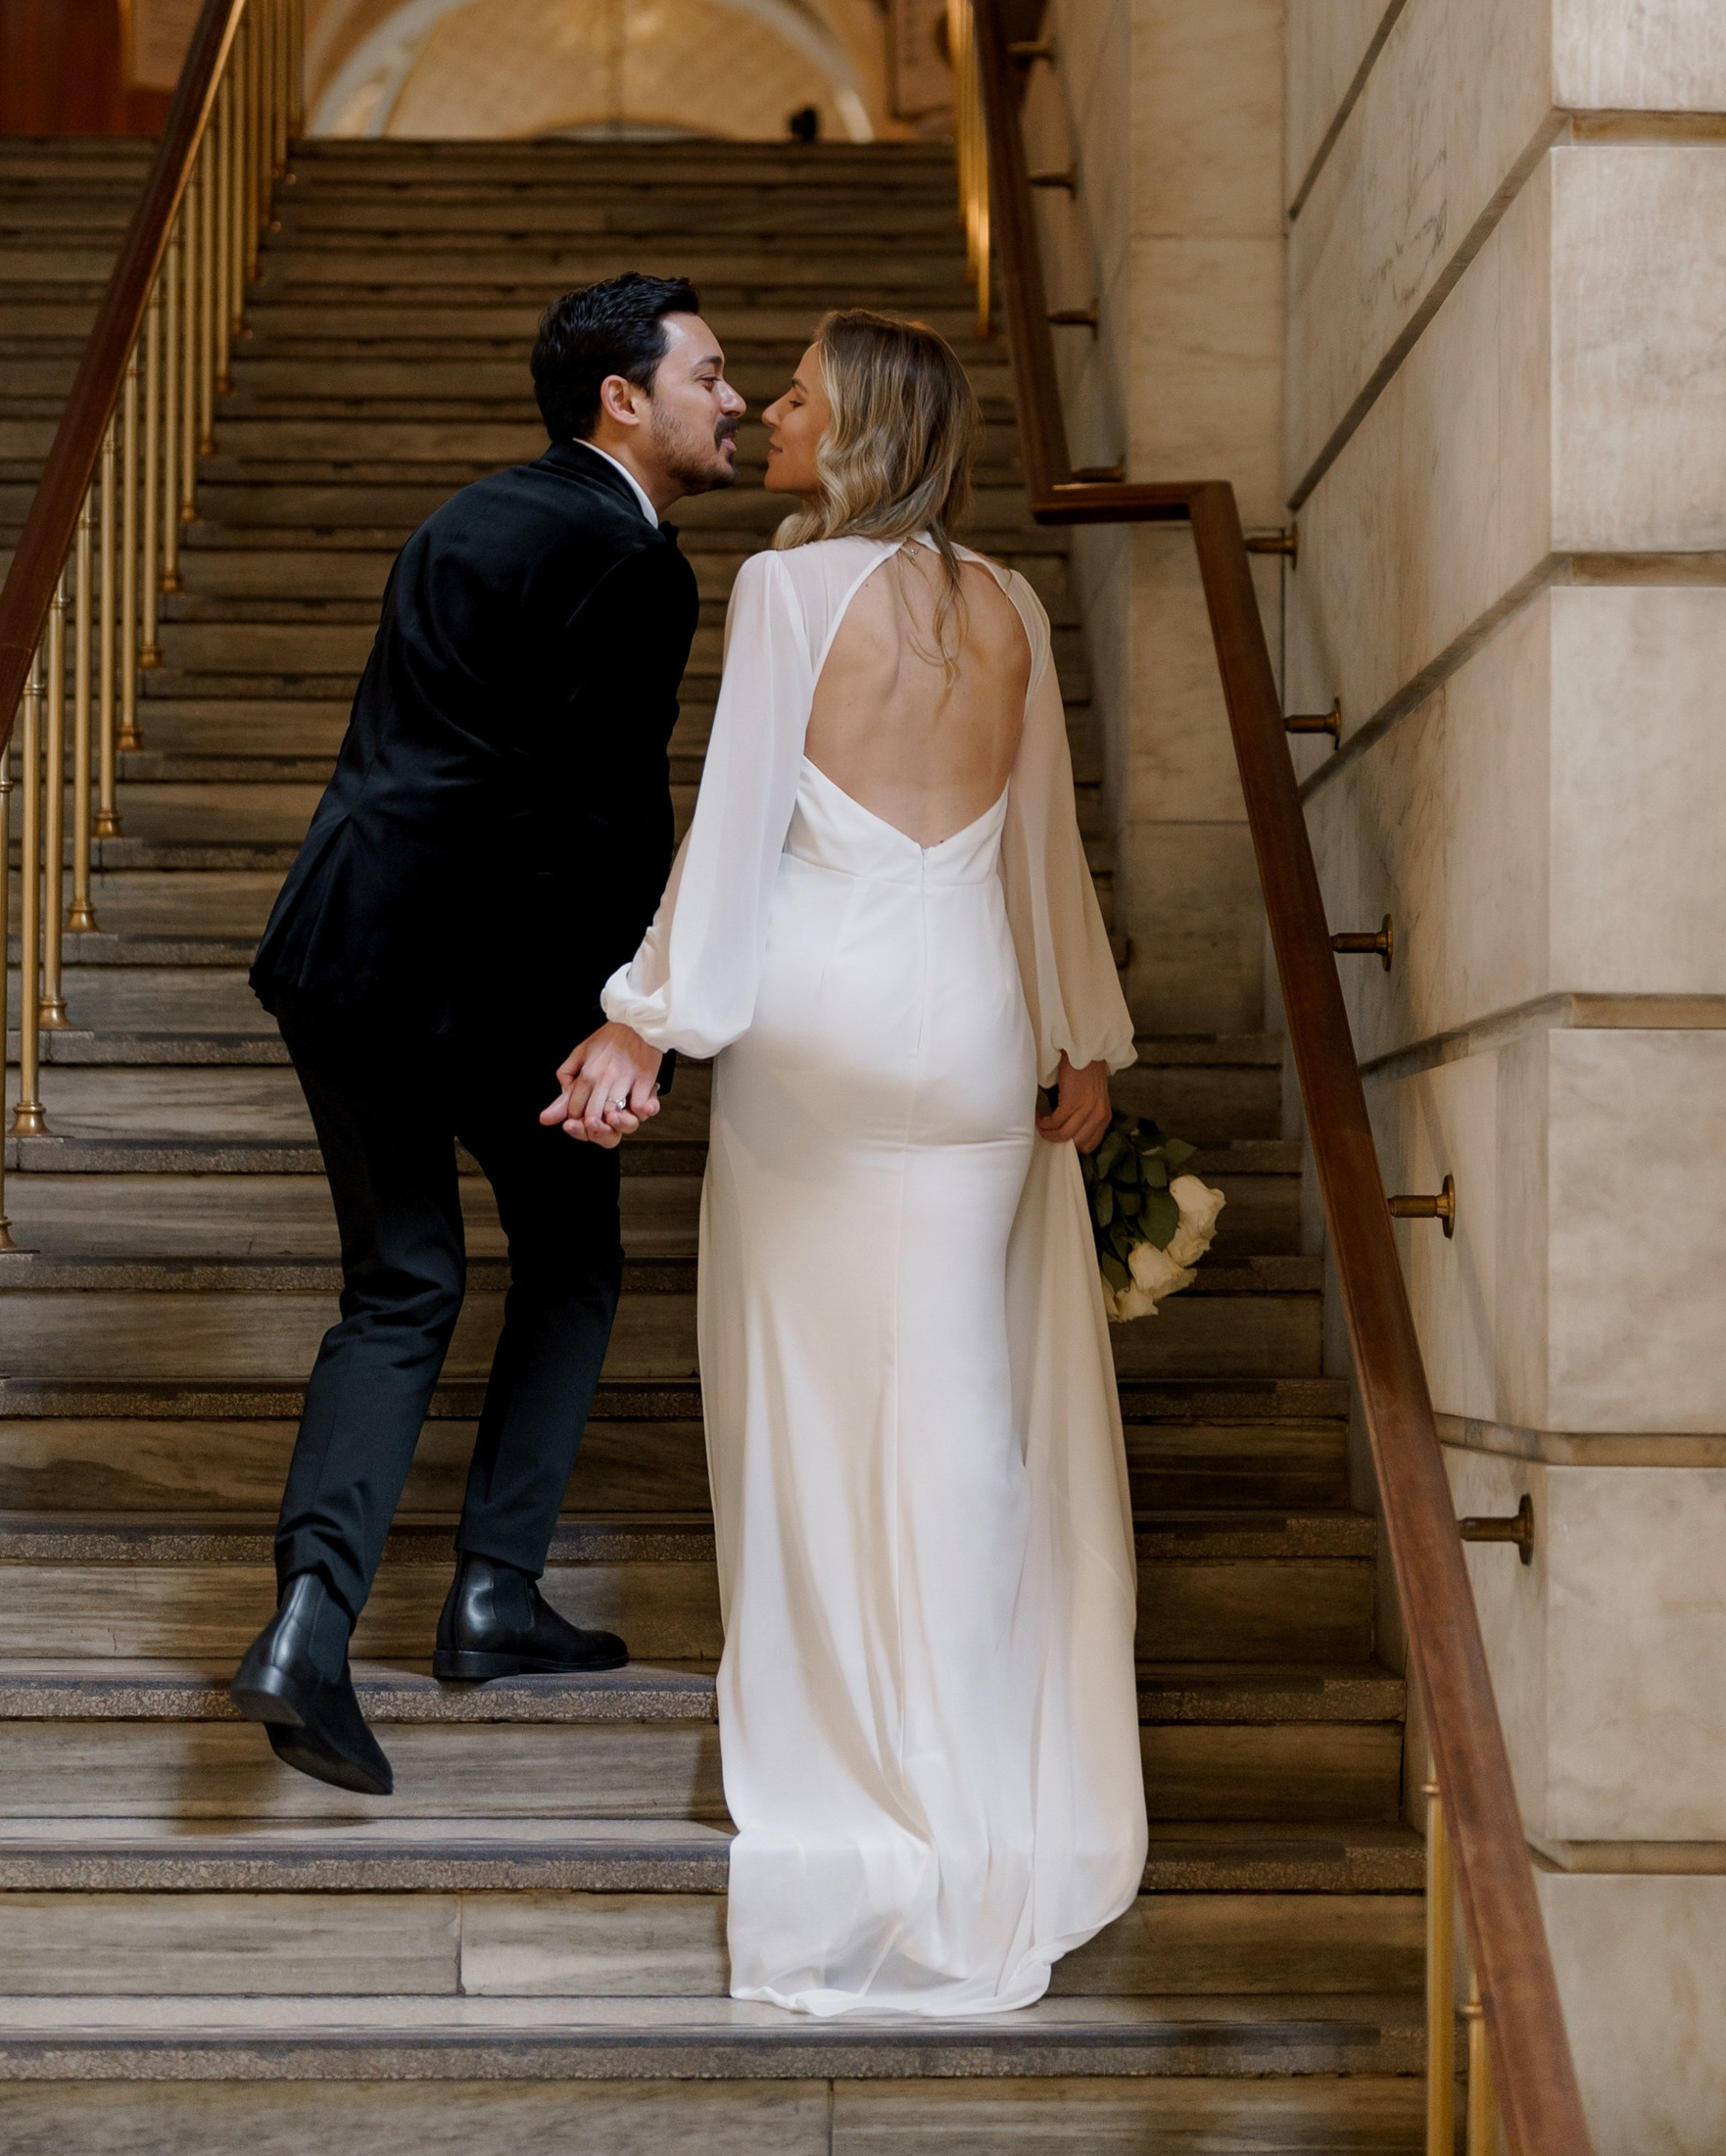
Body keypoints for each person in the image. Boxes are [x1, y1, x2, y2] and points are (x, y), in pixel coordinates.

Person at [551, 311, 1147, 2014]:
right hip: (971, 1023)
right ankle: (967, 1765)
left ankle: (855, 1776)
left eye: (800, 397)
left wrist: (645, 1019)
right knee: (955, 1404)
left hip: (817, 1032)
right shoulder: (1015, 607)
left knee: (810, 1406)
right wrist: (1079, 1035)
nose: (776, 417)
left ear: (865, 428)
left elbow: (736, 823)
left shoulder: (791, 594)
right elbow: (1046, 846)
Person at [229, 272, 743, 1795]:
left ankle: (309, 1626)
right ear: (624, 400)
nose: (737, 402)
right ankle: (491, 1591)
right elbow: (593, 813)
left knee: (400, 1285)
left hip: (341, 949)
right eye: (712, 375)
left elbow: (415, 753)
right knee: (573, 1267)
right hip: (496, 978)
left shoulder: (462, 518)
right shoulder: (638, 565)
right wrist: (625, 1022)